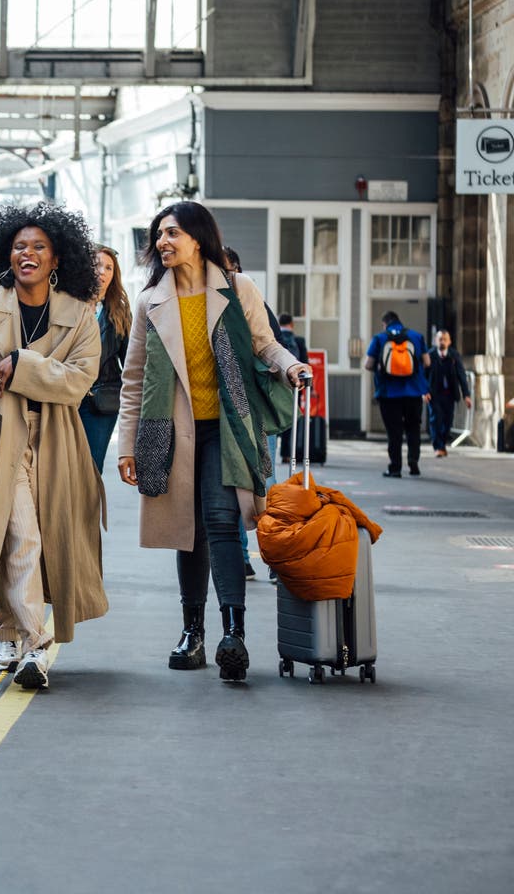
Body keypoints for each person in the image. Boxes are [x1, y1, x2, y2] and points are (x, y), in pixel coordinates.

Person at [116, 202, 308, 683]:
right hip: (171, 429)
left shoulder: (238, 288)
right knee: (188, 528)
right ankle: (192, 632)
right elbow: (134, 378)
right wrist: (126, 445)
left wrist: (291, 367)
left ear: (198, 239)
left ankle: (233, 634)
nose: (163, 241)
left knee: (222, 519)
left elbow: (265, 344)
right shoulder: (149, 301)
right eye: (158, 234)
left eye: (172, 232)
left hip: (227, 425)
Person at [0, 202, 108, 691]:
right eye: (18, 247)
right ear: (6, 255)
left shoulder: (80, 315)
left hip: (57, 443)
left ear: (57, 260)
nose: (26, 254)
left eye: (38, 247)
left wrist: (20, 365)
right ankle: (35, 645)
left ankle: (8, 628)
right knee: (19, 536)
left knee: (36, 542)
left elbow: (79, 382)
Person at [222, 248, 280, 581]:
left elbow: (273, 346)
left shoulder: (253, 301)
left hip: (257, 408)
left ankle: (274, 554)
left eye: (232, 270)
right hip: (227, 413)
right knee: (234, 486)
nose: (227, 276)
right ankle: (242, 556)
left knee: (265, 484)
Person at [78, 245, 130, 474]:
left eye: (109, 267)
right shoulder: (70, 306)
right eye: (97, 265)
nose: (102, 272)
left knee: (90, 469)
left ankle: (88, 511)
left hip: (102, 402)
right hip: (69, 398)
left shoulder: (119, 313)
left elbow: (131, 364)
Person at [363, 311, 430, 478]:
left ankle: (395, 468)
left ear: (385, 324)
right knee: (413, 428)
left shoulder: (379, 338)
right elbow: (427, 362)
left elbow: (368, 364)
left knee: (394, 432)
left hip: (388, 393)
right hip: (414, 392)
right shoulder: (416, 336)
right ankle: (413, 462)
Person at [427, 328, 472, 457]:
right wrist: (424, 391)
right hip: (434, 394)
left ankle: (442, 444)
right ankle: (438, 447)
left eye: (445, 339)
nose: (442, 342)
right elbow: (424, 375)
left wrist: (466, 395)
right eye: (440, 339)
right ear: (436, 341)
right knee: (435, 419)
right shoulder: (430, 355)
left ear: (449, 341)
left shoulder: (454, 355)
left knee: (447, 420)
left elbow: (461, 375)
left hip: (449, 394)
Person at [274, 313, 309, 462]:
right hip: (295, 385)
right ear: (292, 324)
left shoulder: (275, 339)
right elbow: (305, 364)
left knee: (274, 416)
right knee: (291, 418)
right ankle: (287, 454)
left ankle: (271, 451)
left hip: (277, 385)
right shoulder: (299, 341)